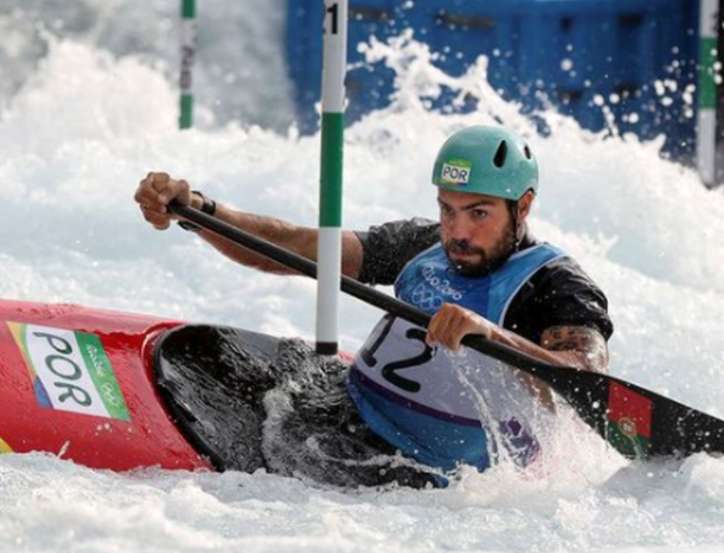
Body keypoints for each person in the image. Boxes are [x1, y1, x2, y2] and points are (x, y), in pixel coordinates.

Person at [134, 124, 613, 487]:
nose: (458, 231)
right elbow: (298, 248)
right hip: (340, 409)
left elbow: (587, 382)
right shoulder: (424, 245)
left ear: (523, 207)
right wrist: (198, 211)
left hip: (425, 473)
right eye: (448, 209)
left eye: (479, 213)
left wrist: (490, 335)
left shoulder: (556, 285)